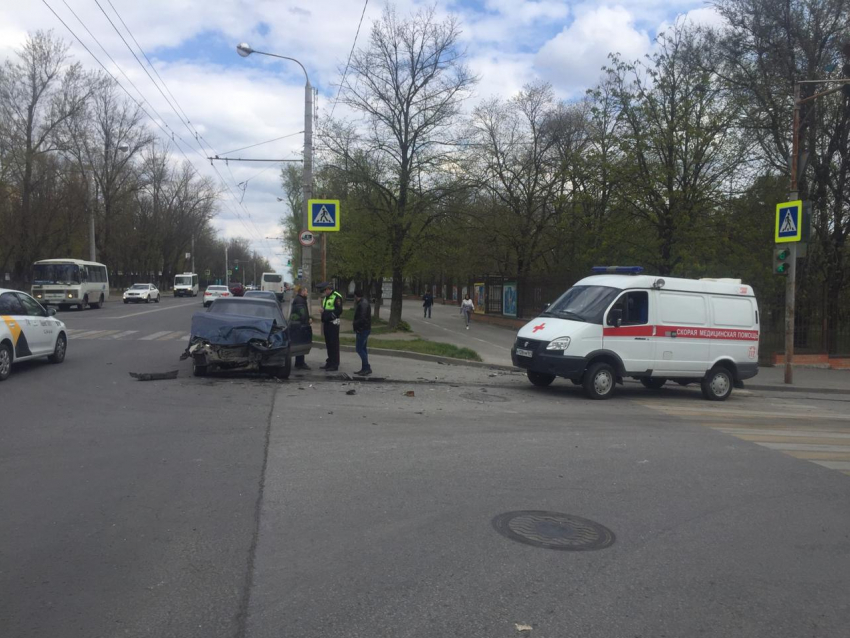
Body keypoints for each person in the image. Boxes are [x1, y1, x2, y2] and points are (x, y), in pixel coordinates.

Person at [319, 282, 343, 371]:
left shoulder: (336, 296)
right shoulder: (326, 297)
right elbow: (327, 309)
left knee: (334, 344)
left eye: (325, 290)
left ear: (329, 289)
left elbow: (339, 310)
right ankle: (329, 362)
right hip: (327, 323)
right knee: (328, 344)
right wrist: (323, 312)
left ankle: (334, 364)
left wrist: (328, 316)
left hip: (333, 323)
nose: (325, 292)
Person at [289, 285, 311, 370]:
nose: (307, 293)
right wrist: (307, 320)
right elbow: (302, 313)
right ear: (302, 292)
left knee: (300, 343)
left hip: (297, 324)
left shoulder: (299, 299)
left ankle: (300, 362)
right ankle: (300, 363)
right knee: (301, 343)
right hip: (300, 325)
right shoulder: (300, 301)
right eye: (306, 291)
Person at [352, 288, 372, 376]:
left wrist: (356, 324)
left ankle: (366, 367)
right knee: (363, 349)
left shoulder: (362, 304)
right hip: (364, 328)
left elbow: (362, 318)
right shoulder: (364, 302)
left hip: (362, 329)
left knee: (359, 349)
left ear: (356, 296)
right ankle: (365, 367)